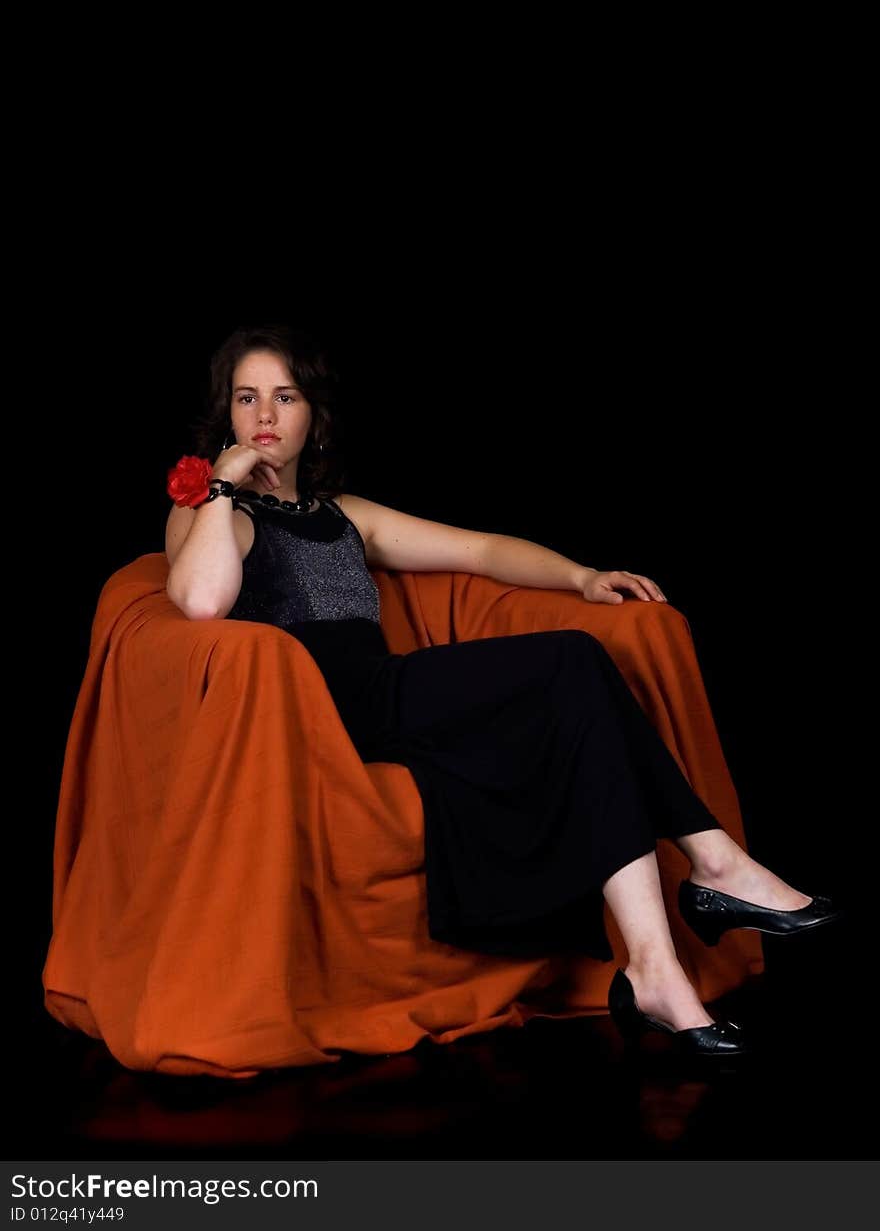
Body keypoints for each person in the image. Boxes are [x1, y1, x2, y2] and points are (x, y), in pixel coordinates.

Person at [165, 324, 841, 1061]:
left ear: (312, 415)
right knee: (572, 666)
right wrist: (222, 486)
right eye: (247, 397)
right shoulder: (211, 511)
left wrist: (580, 576)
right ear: (226, 415)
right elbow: (200, 600)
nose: (265, 414)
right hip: (326, 713)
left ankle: (657, 971)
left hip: (387, 696)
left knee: (582, 701)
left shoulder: (346, 516)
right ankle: (713, 866)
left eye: (284, 396)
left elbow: (480, 549)